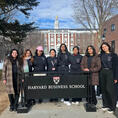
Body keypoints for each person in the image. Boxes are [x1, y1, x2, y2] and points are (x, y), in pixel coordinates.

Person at [100, 42, 118, 113]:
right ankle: (106, 105)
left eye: (105, 46)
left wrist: (116, 77)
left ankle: (112, 106)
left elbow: (116, 66)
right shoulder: (101, 55)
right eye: (102, 47)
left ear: (108, 46)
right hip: (103, 72)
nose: (104, 48)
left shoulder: (114, 55)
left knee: (109, 89)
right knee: (104, 89)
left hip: (110, 72)